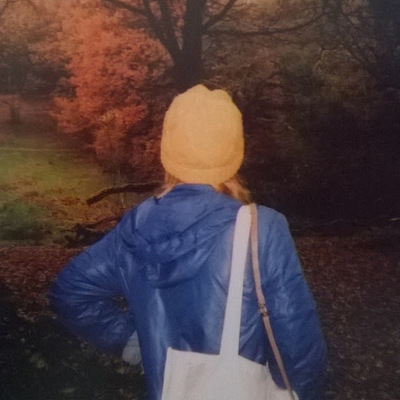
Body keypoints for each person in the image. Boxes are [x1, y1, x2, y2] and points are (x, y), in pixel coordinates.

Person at [49, 84, 327, 400]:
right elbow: (300, 350)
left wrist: (135, 343)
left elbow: (70, 292)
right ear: (234, 151)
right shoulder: (261, 228)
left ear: (169, 152)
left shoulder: (135, 227)